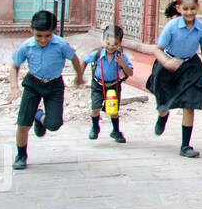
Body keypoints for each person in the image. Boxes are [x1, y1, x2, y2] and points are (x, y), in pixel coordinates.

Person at [9, 10, 85, 170]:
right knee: (23, 124)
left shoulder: (61, 45)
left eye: (47, 36)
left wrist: (79, 76)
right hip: (33, 84)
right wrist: (14, 87)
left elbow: (74, 58)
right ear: (31, 30)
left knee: (54, 124)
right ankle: (21, 155)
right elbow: (14, 66)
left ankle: (39, 116)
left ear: (53, 32)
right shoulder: (26, 46)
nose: (43, 40)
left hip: (54, 85)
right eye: (39, 36)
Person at [145, 0, 202, 158]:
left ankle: (185, 145)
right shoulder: (171, 27)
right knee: (164, 103)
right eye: (185, 9)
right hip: (168, 64)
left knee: (189, 104)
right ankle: (162, 116)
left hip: (190, 65)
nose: (189, 12)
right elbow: (157, 49)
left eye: (193, 9)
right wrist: (167, 63)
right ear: (178, 9)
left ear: (198, 8)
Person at [83, 24, 132, 143]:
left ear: (120, 43)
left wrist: (122, 64)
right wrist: (80, 76)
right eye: (108, 43)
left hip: (113, 85)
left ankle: (116, 131)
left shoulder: (121, 56)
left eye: (115, 44)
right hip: (98, 85)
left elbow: (130, 73)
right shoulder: (97, 54)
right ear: (103, 40)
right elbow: (84, 60)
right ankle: (95, 127)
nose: (110, 47)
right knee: (95, 108)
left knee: (113, 110)